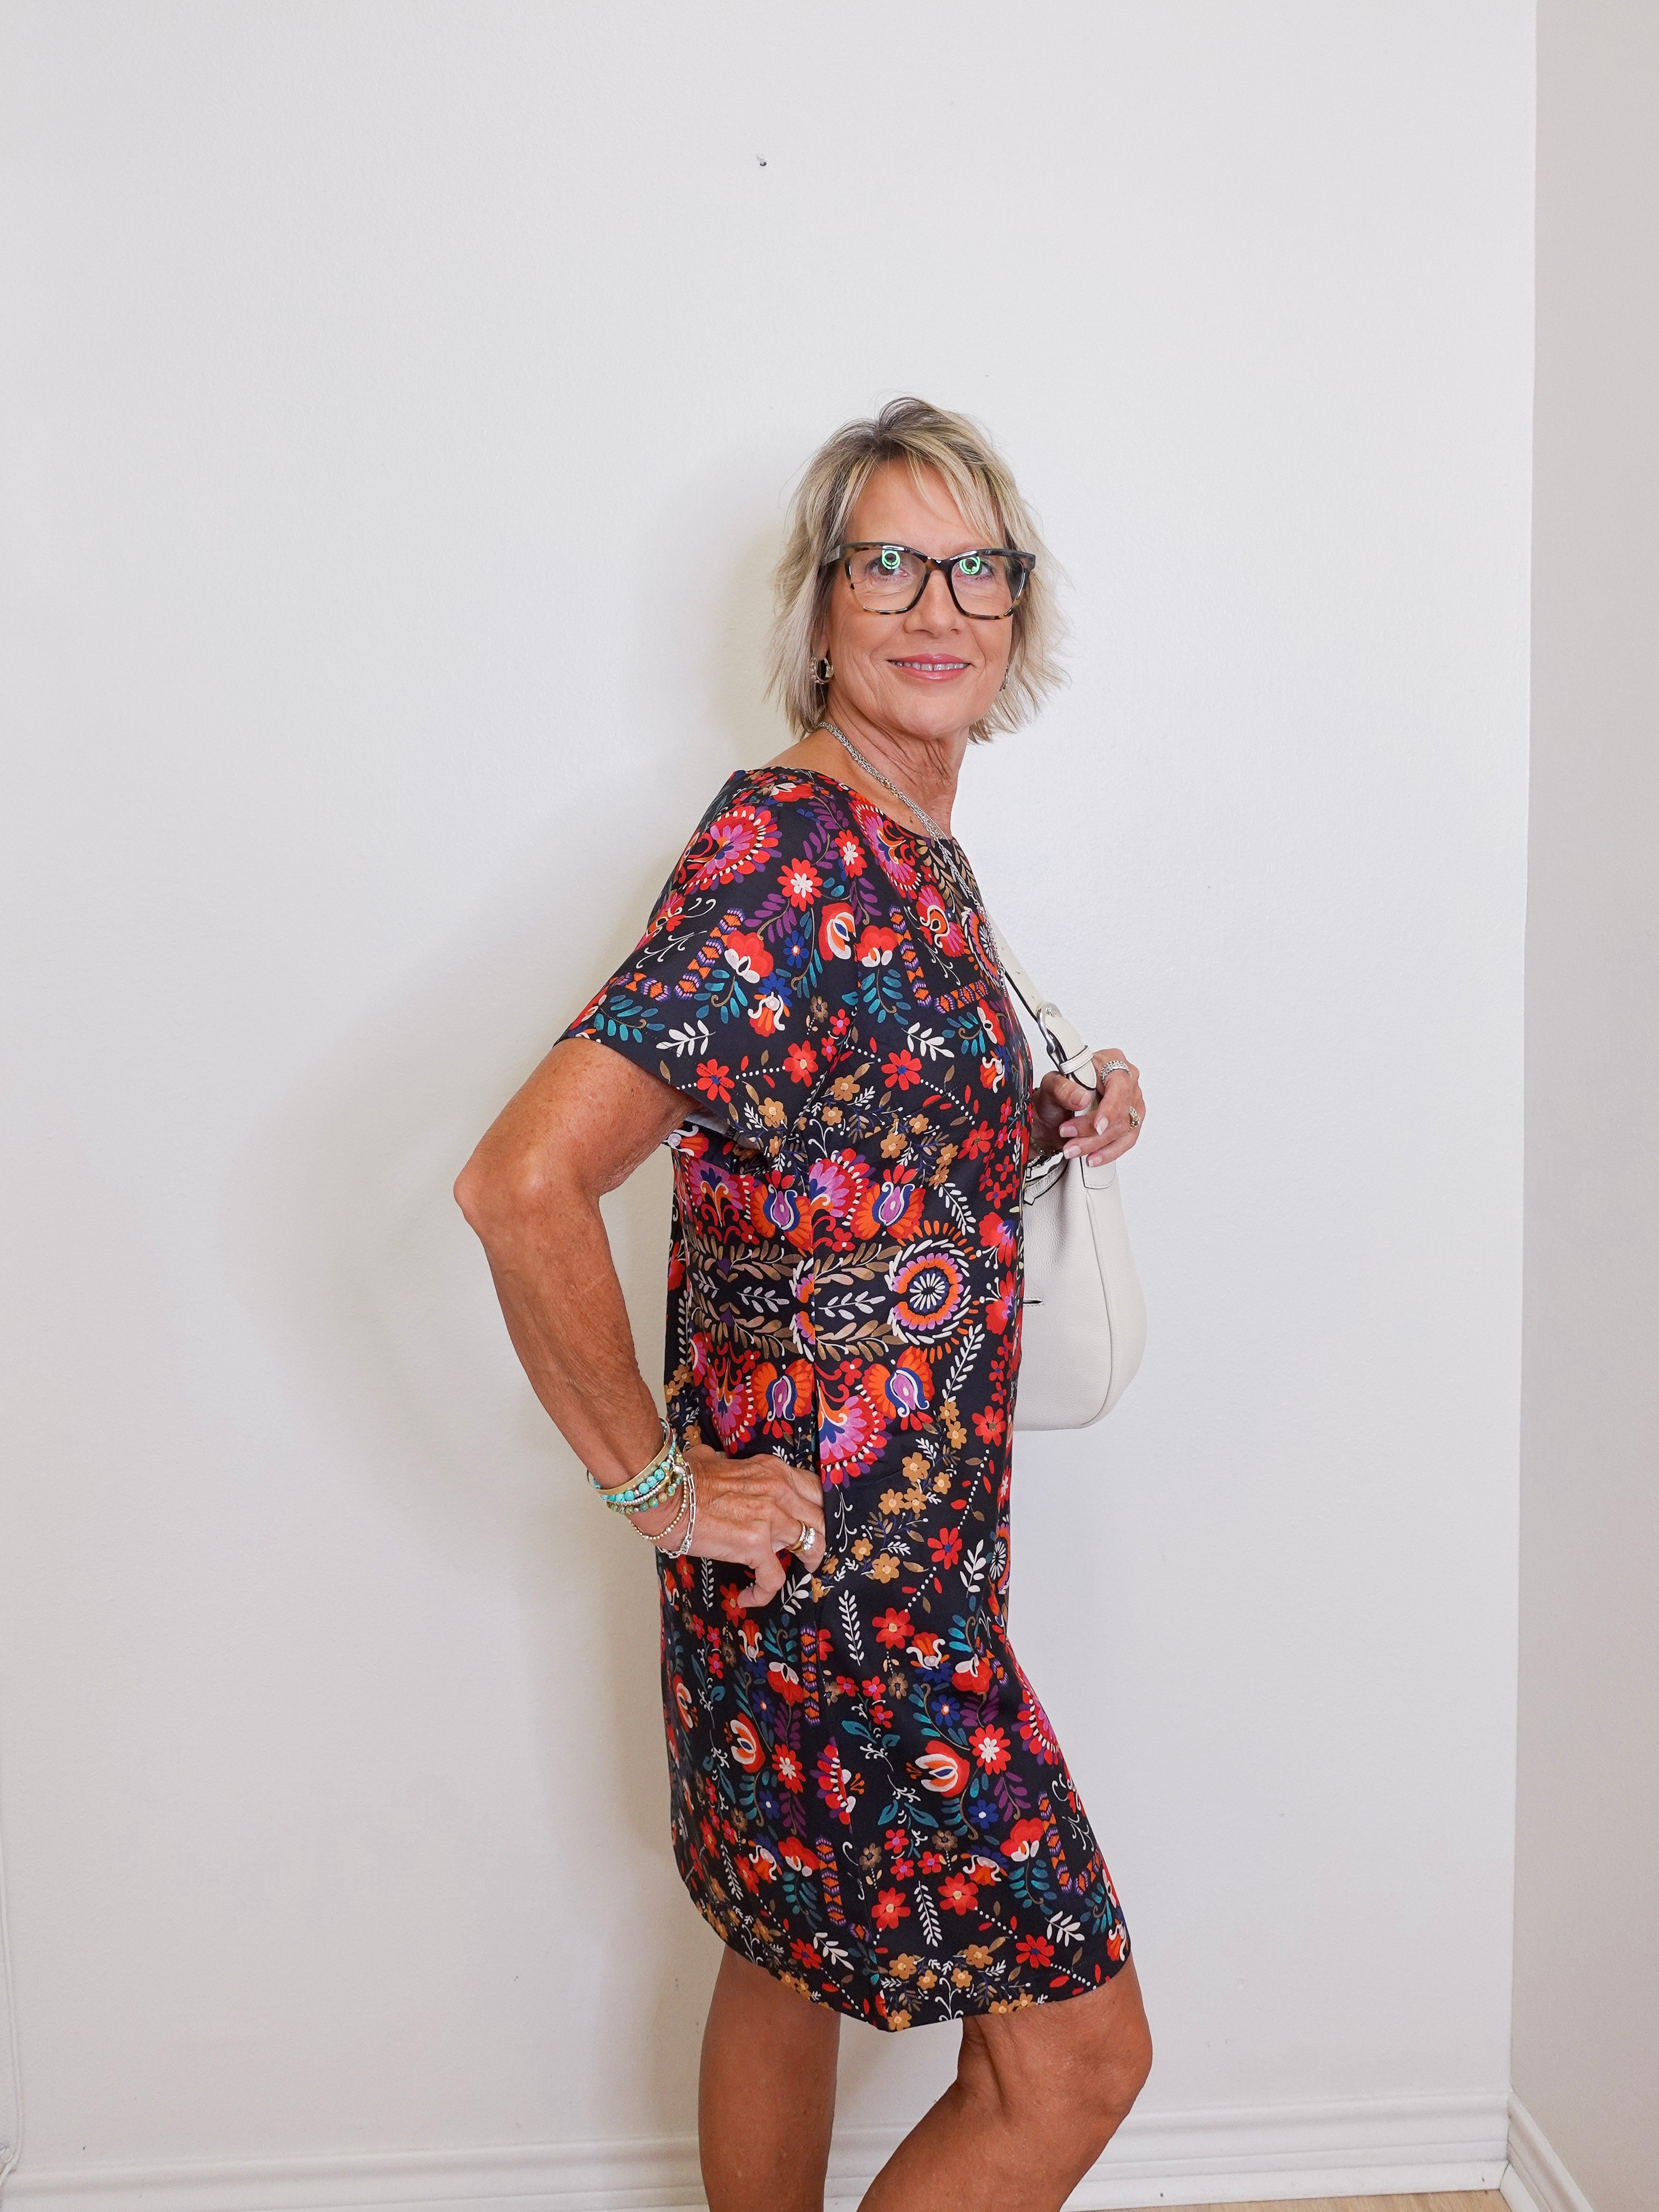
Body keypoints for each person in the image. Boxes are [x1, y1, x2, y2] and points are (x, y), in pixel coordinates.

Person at [455, 397, 1151, 2212]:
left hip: (834, 1571)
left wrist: (1048, 1113)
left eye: (976, 565)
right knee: (1081, 2058)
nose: (938, 602)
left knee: (784, 1951)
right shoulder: (789, 847)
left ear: (1018, 609)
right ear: (821, 609)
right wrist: (654, 1486)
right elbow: (519, 1185)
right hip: (849, 1592)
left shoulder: (909, 845)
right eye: (888, 562)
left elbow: (850, 1152)